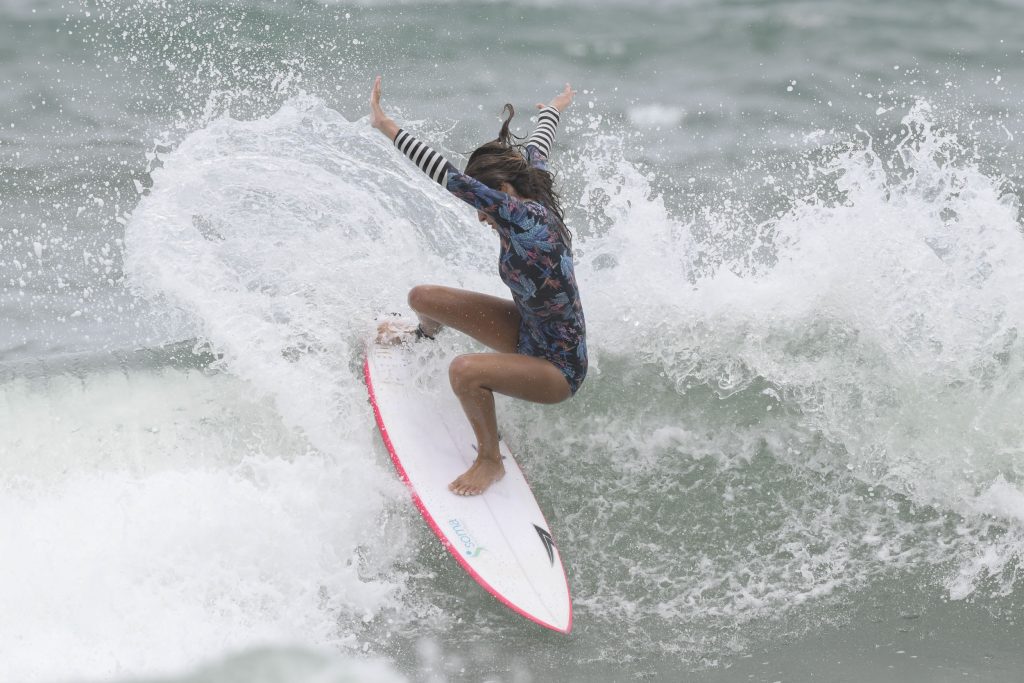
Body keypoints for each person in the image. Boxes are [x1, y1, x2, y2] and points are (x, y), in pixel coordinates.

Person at [369, 76, 587, 496]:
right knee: (422, 298)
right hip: (527, 331)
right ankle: (422, 338)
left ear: (502, 193)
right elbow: (536, 151)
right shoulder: (529, 192)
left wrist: (386, 126)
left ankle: (490, 461)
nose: (480, 214)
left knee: (465, 371)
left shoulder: (526, 218)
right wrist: (552, 110)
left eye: (484, 203)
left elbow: (446, 176)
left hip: (557, 369)